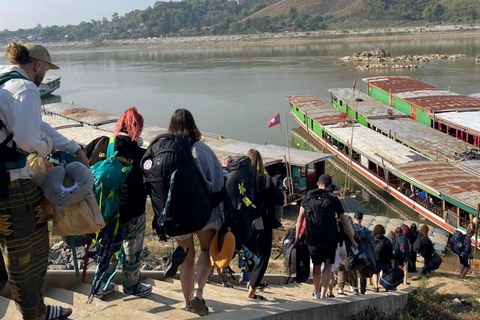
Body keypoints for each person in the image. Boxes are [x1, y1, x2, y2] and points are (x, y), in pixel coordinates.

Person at [0, 42, 89, 320]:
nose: (45, 76)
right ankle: (35, 313)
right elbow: (29, 137)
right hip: (11, 185)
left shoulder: (4, 80)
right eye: (46, 70)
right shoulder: (26, 88)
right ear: (37, 65)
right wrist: (46, 147)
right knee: (29, 252)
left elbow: (36, 125)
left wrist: (72, 146)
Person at [84, 107, 152, 298]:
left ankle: (101, 286)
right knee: (132, 252)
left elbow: (83, 165)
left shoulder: (100, 143)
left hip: (102, 210)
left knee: (106, 246)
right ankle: (132, 287)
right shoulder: (141, 154)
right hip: (132, 211)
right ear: (137, 129)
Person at [167, 109, 224, 316]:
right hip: (204, 212)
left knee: (186, 258)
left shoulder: (168, 149)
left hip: (178, 214)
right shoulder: (200, 149)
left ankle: (187, 303)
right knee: (206, 251)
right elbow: (218, 180)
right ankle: (198, 293)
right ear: (193, 125)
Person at [295, 174, 357, 299]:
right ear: (329, 186)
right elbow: (344, 222)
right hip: (329, 239)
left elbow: (300, 219)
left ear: (318, 183)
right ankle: (323, 295)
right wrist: (352, 240)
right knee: (328, 266)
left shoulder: (308, 196)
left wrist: (297, 237)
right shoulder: (333, 199)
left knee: (316, 265)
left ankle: (316, 292)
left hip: (312, 238)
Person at [245, 149, 284, 301]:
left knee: (250, 253)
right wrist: (275, 185)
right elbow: (280, 199)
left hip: (246, 223)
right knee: (263, 256)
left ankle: (250, 282)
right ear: (261, 162)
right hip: (262, 223)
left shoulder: (243, 179)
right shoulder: (264, 180)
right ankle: (252, 289)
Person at [352, 211, 373, 295]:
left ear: (354, 219)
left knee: (352, 271)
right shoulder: (365, 230)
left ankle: (354, 287)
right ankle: (362, 290)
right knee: (362, 273)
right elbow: (370, 240)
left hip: (353, 252)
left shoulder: (351, 229)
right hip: (363, 253)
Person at [371, 225, 395, 293]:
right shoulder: (387, 240)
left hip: (375, 260)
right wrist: (392, 263)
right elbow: (391, 253)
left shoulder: (372, 239)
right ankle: (386, 287)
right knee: (385, 274)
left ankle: (376, 287)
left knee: (375, 273)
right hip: (385, 261)